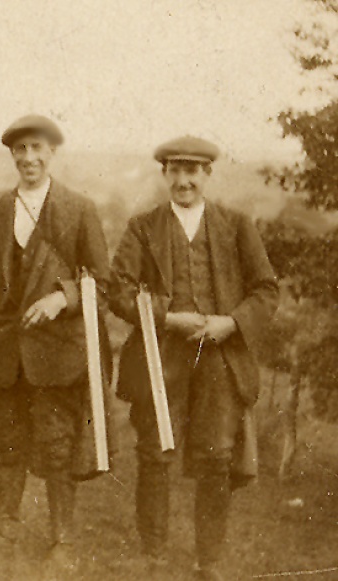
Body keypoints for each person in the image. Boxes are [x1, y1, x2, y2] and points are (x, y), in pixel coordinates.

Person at [109, 136, 278, 580]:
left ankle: (210, 561)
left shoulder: (236, 225)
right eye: (175, 171)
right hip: (160, 353)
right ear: (164, 174)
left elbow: (266, 290)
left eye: (192, 172)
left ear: (207, 175)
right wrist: (169, 317)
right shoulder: (143, 227)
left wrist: (231, 323)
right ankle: (154, 557)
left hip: (220, 358)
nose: (183, 181)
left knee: (217, 457)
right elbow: (119, 289)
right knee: (154, 454)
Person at [0, 115, 111, 567]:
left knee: (57, 446)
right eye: (20, 150)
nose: (28, 158)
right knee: (7, 443)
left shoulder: (79, 209)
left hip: (58, 352)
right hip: (4, 354)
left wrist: (61, 298)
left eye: (37, 149)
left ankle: (61, 541)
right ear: (12, 155)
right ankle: (5, 528)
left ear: (53, 153)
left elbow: (104, 285)